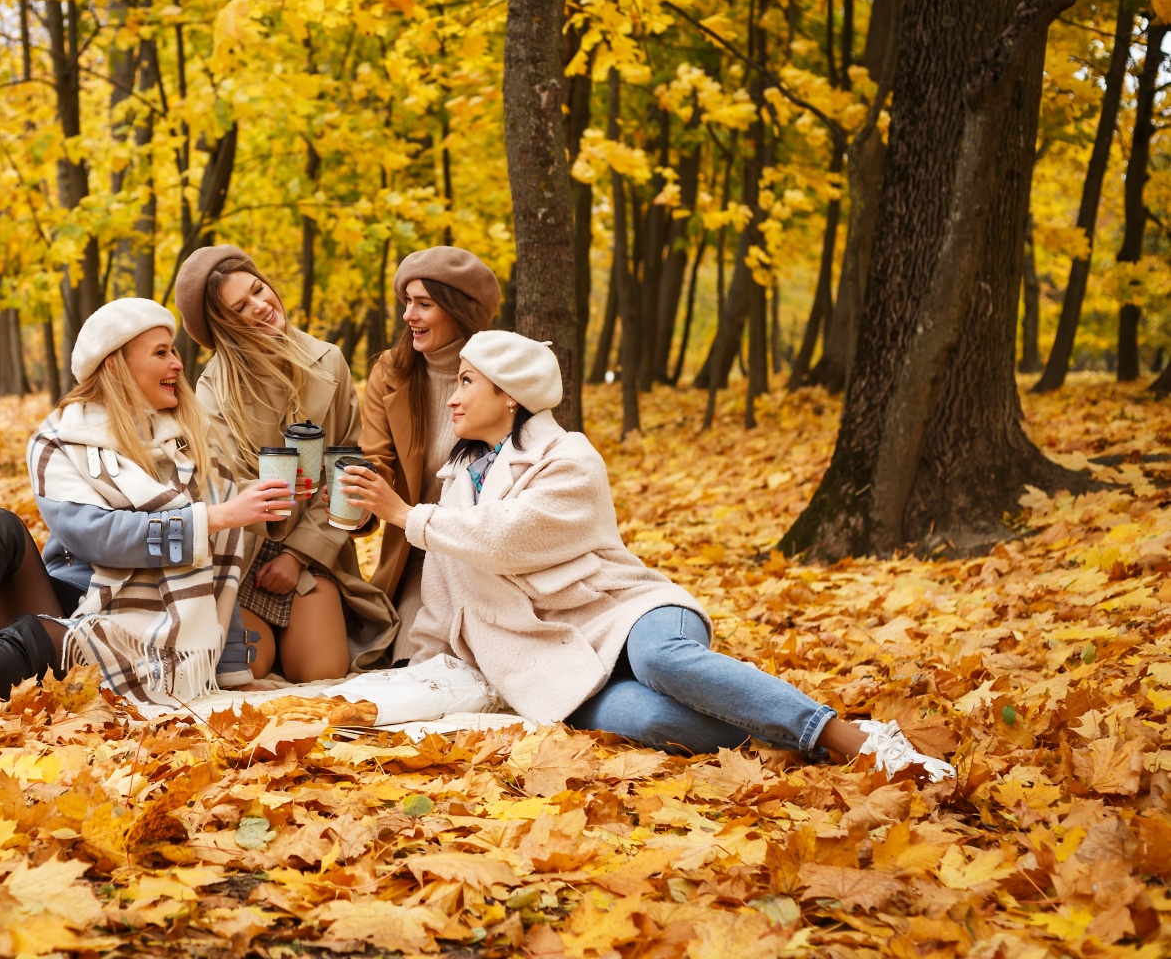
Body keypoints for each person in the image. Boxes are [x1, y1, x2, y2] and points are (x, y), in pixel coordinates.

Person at [338, 331, 955, 779]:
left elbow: (503, 539)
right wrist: (429, 660)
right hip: (552, 650)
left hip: (625, 610)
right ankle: (799, 739)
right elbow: (454, 598)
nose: (453, 395)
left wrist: (404, 515)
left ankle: (847, 738)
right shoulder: (458, 475)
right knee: (648, 720)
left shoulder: (569, 459)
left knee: (661, 662)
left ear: (510, 396)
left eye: (468, 382)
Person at [0, 299, 294, 716]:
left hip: (146, 622)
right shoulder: (62, 439)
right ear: (118, 364)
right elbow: (96, 536)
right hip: (74, 595)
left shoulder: (194, 446)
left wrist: (229, 668)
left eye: (175, 351)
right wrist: (212, 517)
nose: (179, 364)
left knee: (35, 636)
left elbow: (214, 576)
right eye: (162, 352)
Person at [176, 245, 397, 680]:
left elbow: (345, 467)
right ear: (223, 324)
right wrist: (272, 522)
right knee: (249, 669)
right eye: (241, 306)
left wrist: (298, 554)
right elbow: (222, 484)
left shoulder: (328, 361)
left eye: (259, 289)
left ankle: (301, 629)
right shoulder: (212, 388)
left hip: (313, 549)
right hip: (246, 553)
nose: (261, 306)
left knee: (323, 673)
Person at [358, 247, 501, 663]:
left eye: (424, 304)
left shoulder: (501, 376)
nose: (408, 316)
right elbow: (376, 460)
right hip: (416, 554)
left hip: (483, 553)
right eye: (407, 303)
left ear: (459, 311)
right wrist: (357, 497)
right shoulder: (390, 373)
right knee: (411, 660)